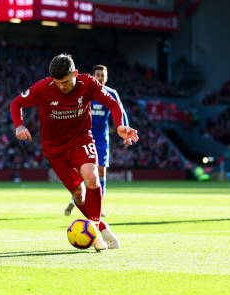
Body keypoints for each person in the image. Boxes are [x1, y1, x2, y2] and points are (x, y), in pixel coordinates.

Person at [10, 54, 139, 250]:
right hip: (55, 150)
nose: (62, 86)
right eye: (58, 82)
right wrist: (19, 126)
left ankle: (94, 232)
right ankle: (103, 228)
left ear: (75, 74)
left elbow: (113, 103)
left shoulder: (88, 83)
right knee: (78, 195)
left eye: (66, 82)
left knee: (92, 177)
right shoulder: (44, 87)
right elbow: (16, 103)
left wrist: (120, 125)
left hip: (81, 140)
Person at [64, 64, 129, 217]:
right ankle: (77, 199)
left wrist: (125, 128)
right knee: (83, 173)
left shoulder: (111, 94)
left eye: (102, 75)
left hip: (101, 140)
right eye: (97, 75)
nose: (100, 77)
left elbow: (120, 112)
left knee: (101, 172)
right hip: (83, 138)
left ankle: (97, 207)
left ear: (106, 77)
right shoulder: (85, 92)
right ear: (93, 76)